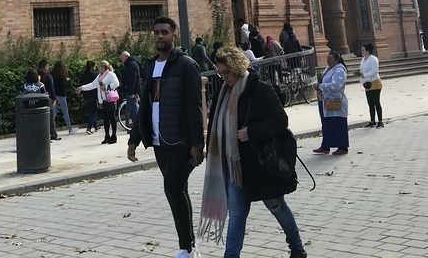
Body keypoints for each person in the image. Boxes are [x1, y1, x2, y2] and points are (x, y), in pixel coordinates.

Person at [199, 47, 307, 258]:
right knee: (237, 214)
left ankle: (297, 248)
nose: (224, 77)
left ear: (237, 68)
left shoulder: (261, 89)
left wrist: (252, 131)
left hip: (261, 166)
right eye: (220, 73)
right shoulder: (223, 93)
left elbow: (280, 120)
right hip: (235, 167)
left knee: (277, 206)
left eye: (226, 73)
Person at [128, 16, 205, 258]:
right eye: (156, 33)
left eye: (165, 32)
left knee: (172, 189)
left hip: (181, 141)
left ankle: (186, 247)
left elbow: (195, 106)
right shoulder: (150, 66)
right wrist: (134, 138)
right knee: (178, 190)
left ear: (174, 35)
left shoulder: (186, 65)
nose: (160, 36)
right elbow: (145, 105)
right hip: (159, 142)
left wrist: (197, 143)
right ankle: (191, 246)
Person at [313, 51, 349, 155]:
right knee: (327, 124)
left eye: (330, 59)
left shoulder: (339, 70)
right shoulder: (328, 69)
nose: (328, 61)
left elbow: (336, 86)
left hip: (336, 100)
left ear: (336, 60)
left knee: (338, 123)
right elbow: (322, 81)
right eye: (327, 59)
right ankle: (325, 146)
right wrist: (316, 85)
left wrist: (321, 86)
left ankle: (343, 147)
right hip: (326, 100)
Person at [76, 60, 120, 144]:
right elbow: (92, 85)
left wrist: (107, 87)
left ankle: (114, 136)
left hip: (110, 99)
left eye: (100, 67)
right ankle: (107, 136)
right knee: (106, 119)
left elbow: (116, 83)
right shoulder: (99, 76)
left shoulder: (110, 74)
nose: (98, 68)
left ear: (104, 67)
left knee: (112, 118)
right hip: (102, 100)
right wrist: (82, 88)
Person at [360, 42, 384, 128]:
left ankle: (380, 121)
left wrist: (365, 75)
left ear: (367, 51)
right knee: (370, 103)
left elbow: (374, 71)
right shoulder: (363, 60)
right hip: (367, 84)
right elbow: (362, 70)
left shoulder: (373, 59)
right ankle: (372, 121)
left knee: (376, 102)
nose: (361, 51)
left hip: (375, 83)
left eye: (363, 50)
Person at [51, 60, 79, 135]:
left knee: (53, 113)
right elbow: (64, 85)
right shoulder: (62, 76)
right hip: (61, 95)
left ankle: (50, 129)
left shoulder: (52, 75)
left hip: (54, 95)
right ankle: (70, 128)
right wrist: (67, 80)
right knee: (65, 112)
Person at [38, 59, 60, 141]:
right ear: (45, 67)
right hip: (47, 98)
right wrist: (54, 99)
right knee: (50, 118)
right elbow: (51, 88)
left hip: (36, 99)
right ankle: (53, 135)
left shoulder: (35, 75)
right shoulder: (48, 76)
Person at [120, 50, 142, 126]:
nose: (121, 58)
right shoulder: (130, 64)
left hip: (131, 91)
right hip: (130, 90)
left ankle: (137, 125)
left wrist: (131, 92)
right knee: (131, 108)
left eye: (122, 56)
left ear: (126, 56)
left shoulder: (131, 65)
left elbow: (132, 79)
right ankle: (137, 124)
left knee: (133, 108)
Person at [81, 59, 100, 134]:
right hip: (94, 95)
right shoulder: (96, 75)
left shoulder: (84, 75)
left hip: (87, 95)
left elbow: (82, 85)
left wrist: (82, 95)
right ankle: (89, 128)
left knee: (92, 110)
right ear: (93, 66)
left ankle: (95, 125)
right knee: (93, 112)